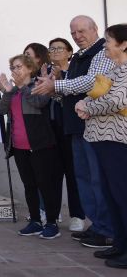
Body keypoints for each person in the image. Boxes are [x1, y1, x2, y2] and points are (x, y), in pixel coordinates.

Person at [33, 15, 115, 248]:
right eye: (74, 33)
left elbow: (91, 83)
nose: (78, 36)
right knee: (84, 180)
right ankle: (97, 225)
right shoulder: (80, 56)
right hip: (76, 126)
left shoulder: (100, 53)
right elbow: (69, 91)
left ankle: (107, 229)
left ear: (95, 29)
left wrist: (56, 85)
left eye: (82, 31)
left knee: (98, 179)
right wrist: (52, 89)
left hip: (94, 125)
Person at [75, 24, 127, 268]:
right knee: (110, 195)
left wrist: (88, 107)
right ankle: (120, 244)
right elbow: (98, 93)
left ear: (124, 44)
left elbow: (115, 100)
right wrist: (86, 102)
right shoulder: (116, 70)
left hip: (117, 141)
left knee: (122, 195)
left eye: (108, 40)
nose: (105, 45)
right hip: (102, 141)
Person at [0, 54, 63, 239]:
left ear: (29, 69)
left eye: (18, 67)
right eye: (12, 68)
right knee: (29, 185)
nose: (15, 70)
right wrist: (8, 91)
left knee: (46, 185)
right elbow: (2, 110)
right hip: (19, 146)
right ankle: (35, 221)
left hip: (40, 145)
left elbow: (39, 102)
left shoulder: (38, 85)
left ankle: (51, 223)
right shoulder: (15, 91)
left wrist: (22, 87)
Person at [47, 37, 86, 232]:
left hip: (71, 128)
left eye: (59, 48)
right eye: (51, 48)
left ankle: (78, 215)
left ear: (70, 52)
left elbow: (73, 94)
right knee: (53, 173)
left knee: (73, 172)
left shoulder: (75, 71)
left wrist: (59, 81)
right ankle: (51, 217)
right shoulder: (45, 72)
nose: (54, 51)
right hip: (50, 129)